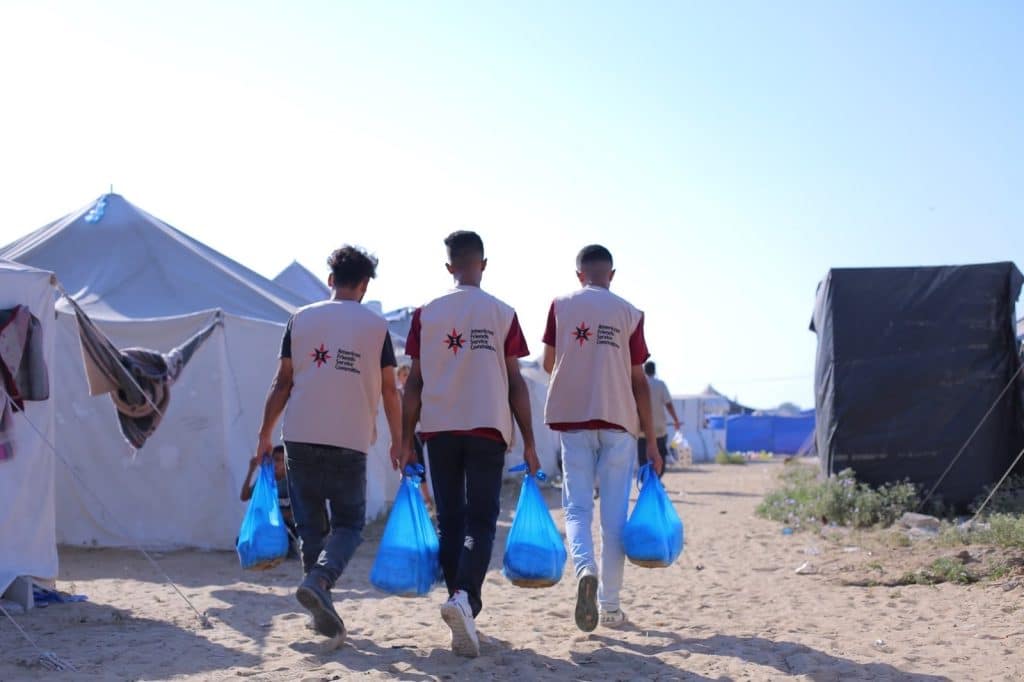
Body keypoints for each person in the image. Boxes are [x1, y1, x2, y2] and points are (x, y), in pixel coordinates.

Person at [401, 230, 540, 658]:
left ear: (448, 267)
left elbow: (415, 383)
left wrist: (405, 439)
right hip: (487, 428)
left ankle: (459, 601)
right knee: (481, 519)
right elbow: (516, 382)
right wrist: (531, 442)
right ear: (483, 263)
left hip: (439, 429)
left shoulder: (426, 313)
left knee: (450, 519)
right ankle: (465, 600)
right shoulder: (502, 312)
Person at [255, 245, 403, 641]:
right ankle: (320, 581)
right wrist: (399, 441)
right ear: (365, 284)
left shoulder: (300, 319)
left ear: (330, 281)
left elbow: (282, 382)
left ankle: (319, 602)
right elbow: (391, 391)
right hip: (349, 438)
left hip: (300, 435)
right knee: (350, 524)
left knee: (310, 528)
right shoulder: (376, 328)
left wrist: (263, 435)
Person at [542, 244, 662, 633]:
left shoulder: (560, 305)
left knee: (577, 509)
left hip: (572, 420)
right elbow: (638, 380)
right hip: (619, 423)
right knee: (614, 519)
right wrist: (654, 444)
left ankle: (584, 570)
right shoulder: (629, 312)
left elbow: (548, 362)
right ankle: (610, 607)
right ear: (611, 275)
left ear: (579, 275)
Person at [240, 445, 299, 558]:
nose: (278, 464)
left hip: (290, 526)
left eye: (283, 460)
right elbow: (244, 496)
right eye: (276, 460)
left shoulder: (292, 482)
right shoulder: (265, 480)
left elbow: (297, 510)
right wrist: (251, 470)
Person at [395, 363, 433, 508]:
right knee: (408, 465)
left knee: (418, 464)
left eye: (408, 374)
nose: (407, 378)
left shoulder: (418, 392)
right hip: (406, 434)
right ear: (399, 377)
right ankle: (416, 500)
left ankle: (426, 500)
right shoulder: (399, 393)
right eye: (404, 375)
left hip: (417, 432)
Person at [638, 361, 682, 477]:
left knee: (642, 456)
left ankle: (645, 480)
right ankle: (657, 478)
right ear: (654, 370)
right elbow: (669, 404)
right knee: (661, 454)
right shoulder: (661, 384)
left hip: (641, 428)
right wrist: (676, 420)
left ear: (644, 370)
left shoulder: (640, 383)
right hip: (659, 428)